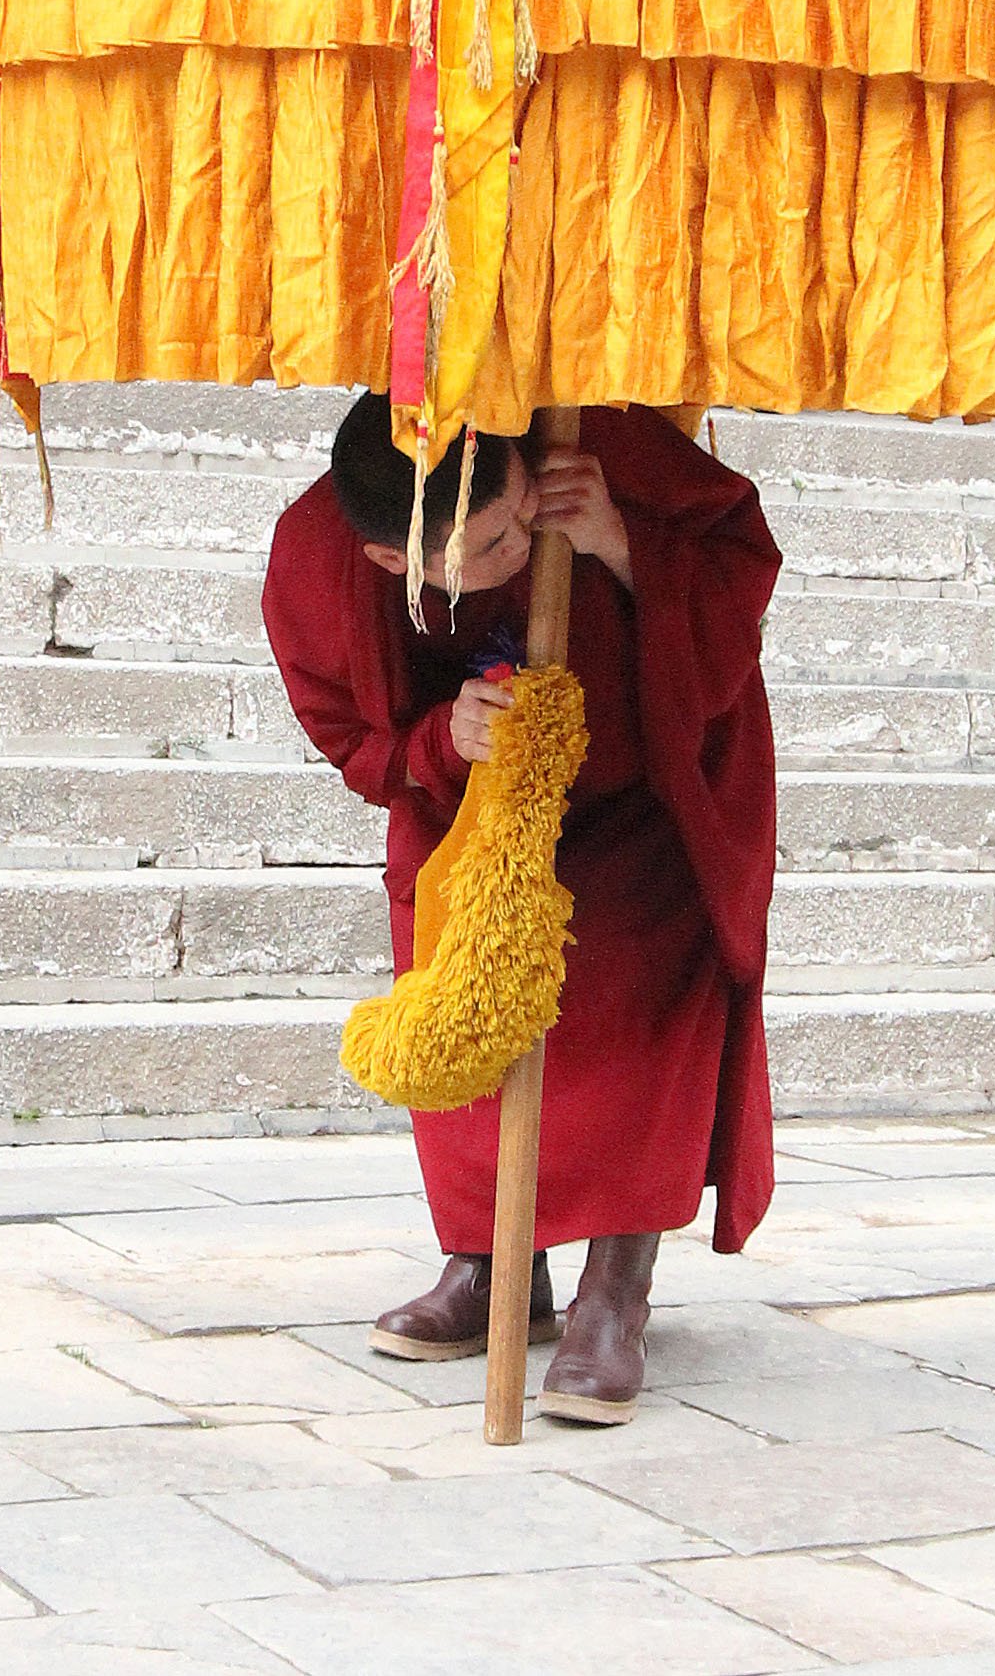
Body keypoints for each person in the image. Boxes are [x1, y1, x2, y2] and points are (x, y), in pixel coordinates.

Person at [261, 396, 780, 1423]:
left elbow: (741, 571)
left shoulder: (578, 442)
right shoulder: (317, 554)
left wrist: (622, 544)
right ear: (386, 562)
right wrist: (441, 741)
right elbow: (349, 741)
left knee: (637, 1017)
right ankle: (489, 1265)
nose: (510, 553)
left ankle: (611, 1297)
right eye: (477, 553)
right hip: (472, 809)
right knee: (461, 1008)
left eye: (512, 523)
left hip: (646, 791)